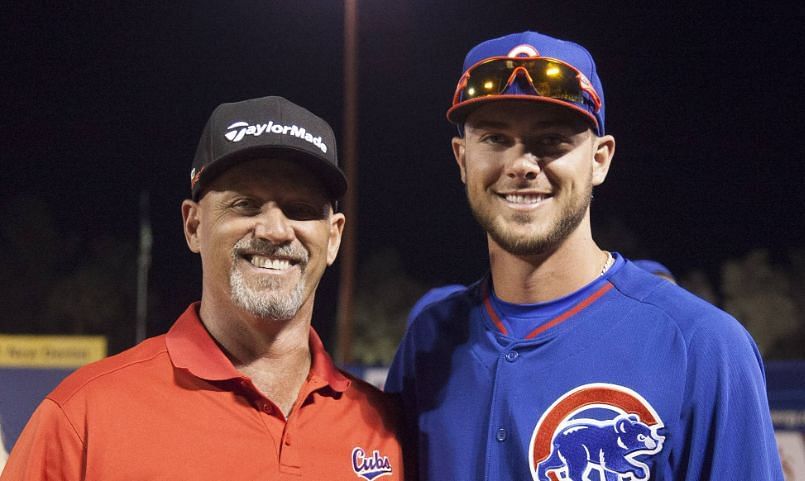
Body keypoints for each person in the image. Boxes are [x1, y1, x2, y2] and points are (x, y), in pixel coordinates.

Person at [385, 31, 782, 480]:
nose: (522, 164)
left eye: (552, 140)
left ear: (599, 160)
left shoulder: (704, 346)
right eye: (495, 138)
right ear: (461, 159)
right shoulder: (429, 341)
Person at [2, 96, 404, 480]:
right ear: (193, 226)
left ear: (333, 238)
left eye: (300, 210)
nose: (275, 230)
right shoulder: (83, 415)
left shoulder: (386, 429)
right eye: (245, 204)